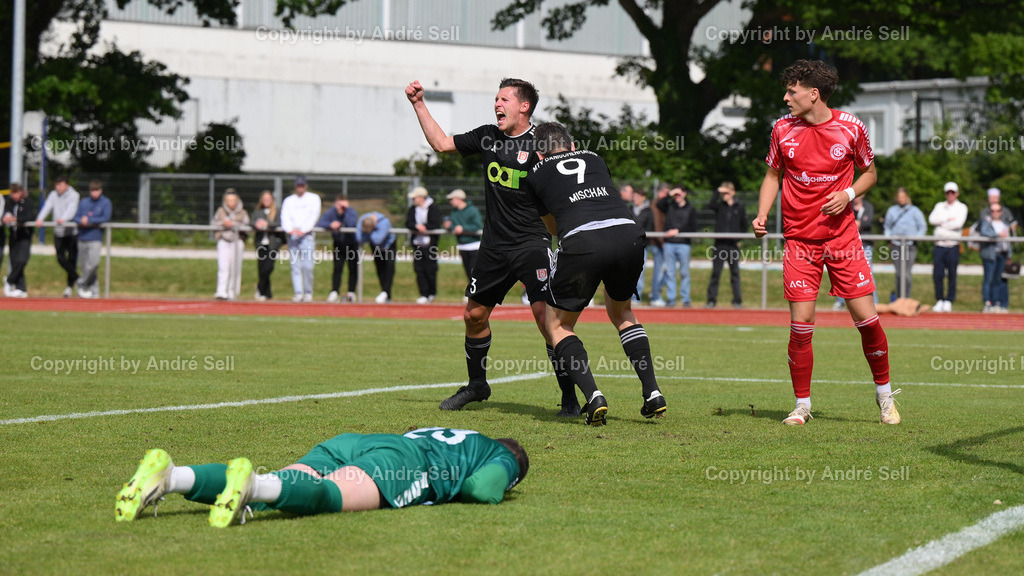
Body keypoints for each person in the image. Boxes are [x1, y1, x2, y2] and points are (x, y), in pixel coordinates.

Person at [406, 77, 580, 416]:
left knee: (546, 319)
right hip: (494, 246)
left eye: (503, 99)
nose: (496, 104)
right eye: (496, 99)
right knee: (473, 315)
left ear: (524, 106)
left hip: (532, 243)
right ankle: (477, 385)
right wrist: (418, 104)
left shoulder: (543, 141)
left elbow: (571, 172)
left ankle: (570, 398)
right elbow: (441, 144)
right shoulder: (488, 135)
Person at [751, 59, 899, 426]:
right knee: (801, 325)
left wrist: (848, 194)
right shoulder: (782, 130)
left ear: (813, 94)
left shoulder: (850, 128)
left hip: (843, 238)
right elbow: (773, 174)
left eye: (792, 90)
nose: (786, 97)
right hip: (799, 241)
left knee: (867, 321)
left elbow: (870, 174)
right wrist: (762, 213)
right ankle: (802, 405)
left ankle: (885, 397)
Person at [523, 123, 667, 425]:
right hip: (628, 235)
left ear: (539, 153)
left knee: (558, 325)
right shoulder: (595, 157)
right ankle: (652, 391)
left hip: (582, 240)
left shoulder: (534, 173)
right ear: (572, 146)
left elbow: (554, 227)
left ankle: (593, 396)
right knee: (623, 312)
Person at [115, 427, 528, 528]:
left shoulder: (467, 438)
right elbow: (481, 487)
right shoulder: (498, 452)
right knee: (329, 496)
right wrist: (505, 483)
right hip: (403, 460)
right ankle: (252, 487)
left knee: (279, 487)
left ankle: (172, 477)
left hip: (362, 441)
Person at [34, 176, 80, 297]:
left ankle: (70, 286)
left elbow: (71, 210)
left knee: (72, 259)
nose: (58, 187)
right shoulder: (53, 195)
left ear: (67, 185)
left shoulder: (74, 195)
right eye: (57, 185)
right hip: (59, 232)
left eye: (60, 185)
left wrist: (63, 219)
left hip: (71, 233)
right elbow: (47, 206)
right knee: (60, 258)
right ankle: (78, 279)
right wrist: (40, 218)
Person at [928, 181, 968, 313]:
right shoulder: (939, 205)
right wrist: (948, 219)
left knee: (952, 274)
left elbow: (958, 224)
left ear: (957, 193)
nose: (950, 194)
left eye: (952, 192)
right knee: (937, 274)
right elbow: (932, 219)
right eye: (948, 192)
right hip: (939, 245)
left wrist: (942, 223)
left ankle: (949, 300)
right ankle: (939, 299)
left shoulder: (962, 207)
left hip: (953, 245)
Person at [705, 181, 746, 309]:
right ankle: (711, 300)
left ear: (733, 193)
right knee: (716, 273)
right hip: (719, 245)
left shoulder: (739, 208)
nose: (724, 195)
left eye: (727, 193)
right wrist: (717, 191)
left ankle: (737, 300)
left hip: (733, 245)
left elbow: (744, 225)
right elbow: (710, 205)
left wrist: (740, 239)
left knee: (735, 274)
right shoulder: (720, 206)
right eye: (723, 193)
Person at [280, 176, 322, 302]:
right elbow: (285, 217)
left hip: (307, 236)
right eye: (298, 185)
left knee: (308, 266)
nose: (300, 187)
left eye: (302, 185)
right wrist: (290, 230)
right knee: (295, 266)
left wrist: (303, 230)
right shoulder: (289, 200)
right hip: (293, 236)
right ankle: (298, 292)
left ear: (306, 186)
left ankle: (308, 292)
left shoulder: (314, 198)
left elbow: (314, 215)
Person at [655, 185, 698, 307]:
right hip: (669, 244)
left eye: (679, 194)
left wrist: (678, 230)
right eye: (675, 195)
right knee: (670, 273)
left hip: (683, 244)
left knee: (684, 272)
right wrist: (670, 194)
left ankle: (685, 299)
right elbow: (659, 205)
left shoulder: (690, 209)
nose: (677, 197)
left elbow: (693, 226)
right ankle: (671, 299)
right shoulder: (669, 206)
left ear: (684, 194)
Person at [833, 194, 877, 310]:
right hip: (848, 244)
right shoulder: (847, 205)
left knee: (868, 272)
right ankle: (841, 301)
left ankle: (874, 301)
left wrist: (859, 223)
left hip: (865, 244)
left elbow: (869, 221)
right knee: (844, 273)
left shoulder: (868, 207)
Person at [883, 186, 926, 300]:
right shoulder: (892, 210)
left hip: (910, 246)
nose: (901, 199)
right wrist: (889, 238)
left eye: (903, 196)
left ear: (907, 197)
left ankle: (906, 298)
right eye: (899, 197)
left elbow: (922, 226)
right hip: (896, 245)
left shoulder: (915, 211)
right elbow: (887, 226)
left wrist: (916, 238)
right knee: (898, 274)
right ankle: (899, 298)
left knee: (906, 274)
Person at [73, 180, 111, 299]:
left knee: (93, 264)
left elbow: (105, 217)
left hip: (95, 238)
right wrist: (81, 221)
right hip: (82, 237)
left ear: (100, 191)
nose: (94, 193)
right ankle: (93, 291)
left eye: (96, 190)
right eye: (92, 190)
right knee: (85, 266)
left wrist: (89, 220)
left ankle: (81, 282)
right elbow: (76, 216)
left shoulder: (106, 202)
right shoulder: (84, 202)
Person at [318, 194, 359, 303]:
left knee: (353, 268)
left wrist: (344, 212)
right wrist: (330, 224)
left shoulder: (351, 212)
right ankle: (335, 291)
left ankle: (351, 293)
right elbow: (321, 222)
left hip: (352, 244)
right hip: (339, 244)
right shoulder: (331, 212)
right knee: (337, 268)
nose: (341, 208)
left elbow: (351, 223)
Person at [405, 186, 442, 304]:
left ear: (422, 197)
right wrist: (416, 226)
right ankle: (423, 293)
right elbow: (408, 222)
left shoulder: (433, 208)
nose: (413, 200)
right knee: (419, 269)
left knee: (430, 269)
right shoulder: (413, 209)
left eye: (415, 198)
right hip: (418, 244)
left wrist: (425, 227)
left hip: (429, 245)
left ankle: (432, 292)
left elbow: (435, 223)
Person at [211, 189, 249, 301]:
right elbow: (214, 223)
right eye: (228, 200)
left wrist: (234, 224)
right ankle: (221, 291)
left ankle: (232, 292)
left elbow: (246, 225)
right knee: (223, 267)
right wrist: (222, 223)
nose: (231, 202)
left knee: (235, 268)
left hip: (237, 241)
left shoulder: (243, 213)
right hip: (224, 240)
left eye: (233, 200)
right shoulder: (221, 211)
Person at [251, 191, 286, 301]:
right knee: (261, 268)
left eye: (268, 199)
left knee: (268, 267)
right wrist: (257, 224)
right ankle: (267, 293)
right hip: (261, 243)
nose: (266, 201)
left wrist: (268, 224)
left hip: (272, 244)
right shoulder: (258, 212)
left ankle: (260, 287)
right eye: (264, 199)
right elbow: (251, 222)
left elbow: (280, 223)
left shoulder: (277, 211)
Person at [355, 211, 397, 303]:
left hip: (388, 246)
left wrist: (368, 234)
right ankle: (385, 294)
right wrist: (369, 233)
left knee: (389, 269)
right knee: (380, 270)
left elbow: (377, 240)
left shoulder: (384, 222)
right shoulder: (363, 219)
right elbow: (359, 238)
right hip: (376, 248)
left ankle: (386, 292)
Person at [2, 183, 35, 298]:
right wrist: (5, 218)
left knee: (22, 260)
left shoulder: (28, 202)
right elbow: (5, 213)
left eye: (16, 193)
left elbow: (31, 217)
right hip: (13, 236)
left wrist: (16, 219)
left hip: (24, 236)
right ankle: (22, 288)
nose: (14, 196)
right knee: (15, 261)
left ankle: (9, 281)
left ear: (21, 192)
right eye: (12, 193)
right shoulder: (10, 201)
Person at [443, 189, 483, 283]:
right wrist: (449, 226)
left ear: (459, 199)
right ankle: (471, 292)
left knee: (475, 272)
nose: (450, 201)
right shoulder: (454, 212)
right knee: (468, 272)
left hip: (474, 246)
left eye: (452, 199)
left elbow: (477, 226)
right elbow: (454, 225)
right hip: (462, 245)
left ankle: (476, 294)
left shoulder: (473, 210)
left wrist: (463, 228)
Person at [978, 202, 1011, 313]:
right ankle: (988, 302)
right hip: (991, 254)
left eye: (997, 211)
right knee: (988, 279)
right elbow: (984, 232)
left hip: (1002, 254)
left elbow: (1008, 240)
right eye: (992, 210)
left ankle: (997, 302)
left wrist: (1009, 255)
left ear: (1001, 212)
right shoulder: (987, 221)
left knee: (998, 280)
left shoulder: (1005, 223)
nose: (995, 213)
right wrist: (997, 234)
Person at [630, 186, 655, 302]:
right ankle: (625, 298)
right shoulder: (628, 210)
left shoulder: (648, 212)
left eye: (637, 196)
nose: (635, 199)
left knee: (640, 273)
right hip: (628, 246)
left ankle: (636, 298)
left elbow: (650, 228)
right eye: (633, 196)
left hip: (641, 247)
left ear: (643, 198)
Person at [648, 182, 671, 306]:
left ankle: (655, 292)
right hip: (658, 242)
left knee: (666, 270)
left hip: (660, 240)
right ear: (661, 192)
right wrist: (662, 241)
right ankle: (655, 296)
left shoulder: (661, 204)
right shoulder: (656, 204)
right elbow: (657, 224)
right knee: (659, 270)